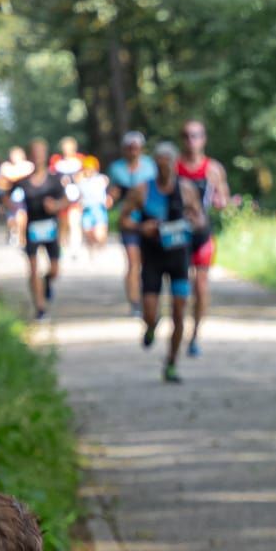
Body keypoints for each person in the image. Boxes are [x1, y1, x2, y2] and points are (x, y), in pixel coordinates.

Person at [120, 141, 200, 384]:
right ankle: (151, 326)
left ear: (175, 164)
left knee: (179, 313)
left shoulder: (186, 190)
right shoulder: (142, 190)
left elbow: (199, 219)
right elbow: (123, 220)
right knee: (150, 312)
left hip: (178, 259)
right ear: (155, 165)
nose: (164, 168)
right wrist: (141, 227)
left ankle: (172, 363)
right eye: (160, 163)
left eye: (168, 163)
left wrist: (191, 222)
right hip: (153, 258)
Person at [174, 119, 229, 360]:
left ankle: (195, 335)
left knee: (201, 285)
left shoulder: (213, 169)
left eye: (196, 135)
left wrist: (220, 202)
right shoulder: (173, 167)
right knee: (181, 289)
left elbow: (223, 198)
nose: (191, 140)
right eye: (186, 135)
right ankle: (178, 329)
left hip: (203, 234)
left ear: (203, 138)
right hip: (178, 235)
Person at [10, 141, 65, 324]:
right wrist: (14, 213)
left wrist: (56, 205)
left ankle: (47, 281)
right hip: (32, 228)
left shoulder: (54, 180)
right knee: (33, 269)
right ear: (30, 156)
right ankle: (40, 307)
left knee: (55, 269)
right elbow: (7, 196)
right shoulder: (23, 182)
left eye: (41, 152)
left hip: (50, 228)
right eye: (35, 152)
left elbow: (67, 200)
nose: (39, 156)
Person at [107, 131, 155, 316]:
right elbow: (111, 193)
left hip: (149, 219)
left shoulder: (151, 166)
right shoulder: (116, 168)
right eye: (129, 148)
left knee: (147, 262)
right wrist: (112, 197)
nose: (133, 151)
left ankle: (148, 297)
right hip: (127, 220)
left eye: (136, 147)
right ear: (124, 149)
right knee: (133, 262)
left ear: (141, 148)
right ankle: (134, 302)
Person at [51, 137, 84, 260]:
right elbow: (52, 176)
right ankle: (62, 247)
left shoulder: (80, 160)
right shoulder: (56, 161)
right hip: (62, 197)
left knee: (74, 222)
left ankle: (75, 248)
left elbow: (86, 175)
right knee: (63, 224)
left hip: (76, 197)